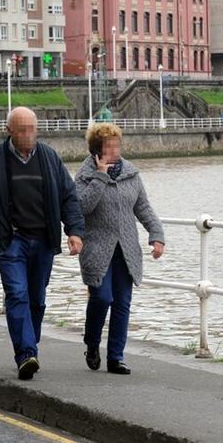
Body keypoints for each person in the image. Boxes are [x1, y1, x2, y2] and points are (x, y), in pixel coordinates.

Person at [0, 107, 84, 380]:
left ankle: (30, 345)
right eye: (22, 130)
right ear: (9, 131)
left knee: (37, 299)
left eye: (32, 129)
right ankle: (26, 354)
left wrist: (75, 231)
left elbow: (69, 197)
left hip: (43, 241)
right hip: (12, 241)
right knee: (17, 295)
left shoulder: (49, 158)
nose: (28, 135)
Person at [75, 124, 164, 375]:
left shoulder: (131, 175)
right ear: (96, 149)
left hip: (126, 250)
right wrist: (100, 177)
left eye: (117, 145)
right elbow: (81, 207)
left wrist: (156, 236)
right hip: (97, 249)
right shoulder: (84, 176)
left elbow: (144, 208)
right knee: (102, 298)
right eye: (108, 146)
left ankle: (116, 357)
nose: (114, 150)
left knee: (122, 303)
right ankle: (92, 344)